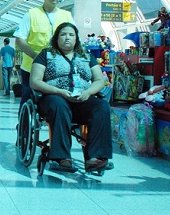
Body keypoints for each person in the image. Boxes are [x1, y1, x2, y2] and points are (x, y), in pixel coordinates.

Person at [30, 22, 113, 173]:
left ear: (76, 39)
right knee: (59, 104)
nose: (67, 38)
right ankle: (61, 158)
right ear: (56, 38)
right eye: (63, 34)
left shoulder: (86, 56)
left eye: (71, 35)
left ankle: (96, 158)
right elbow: (35, 81)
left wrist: (87, 93)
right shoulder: (46, 55)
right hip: (53, 98)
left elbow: (99, 80)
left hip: (81, 99)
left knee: (102, 107)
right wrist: (59, 91)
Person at [14, 0, 74, 111]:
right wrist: (37, 58)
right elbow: (19, 40)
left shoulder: (67, 16)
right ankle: (23, 128)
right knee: (28, 98)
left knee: (60, 100)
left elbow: (76, 41)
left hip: (59, 69)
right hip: (31, 68)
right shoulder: (31, 15)